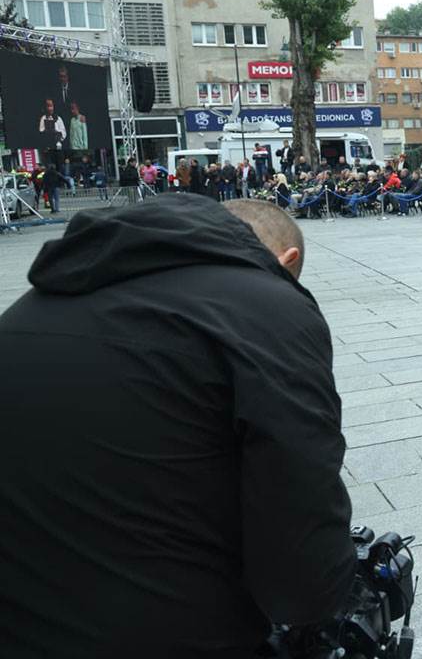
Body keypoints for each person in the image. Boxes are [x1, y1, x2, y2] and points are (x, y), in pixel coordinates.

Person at [0, 195, 355, 657]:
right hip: (172, 628)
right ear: (288, 261)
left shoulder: (33, 305)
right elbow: (300, 508)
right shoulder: (266, 305)